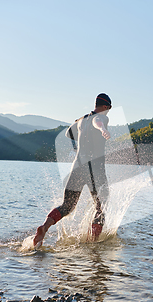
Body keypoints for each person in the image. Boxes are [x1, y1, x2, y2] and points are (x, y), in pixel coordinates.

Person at [33, 93, 112, 247]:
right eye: (109, 108)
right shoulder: (102, 117)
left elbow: (69, 132)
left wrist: (81, 141)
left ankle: (44, 227)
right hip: (94, 169)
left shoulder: (81, 121)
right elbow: (98, 121)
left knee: (67, 206)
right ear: (104, 106)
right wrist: (102, 130)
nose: (109, 111)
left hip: (77, 167)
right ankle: (93, 244)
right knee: (102, 206)